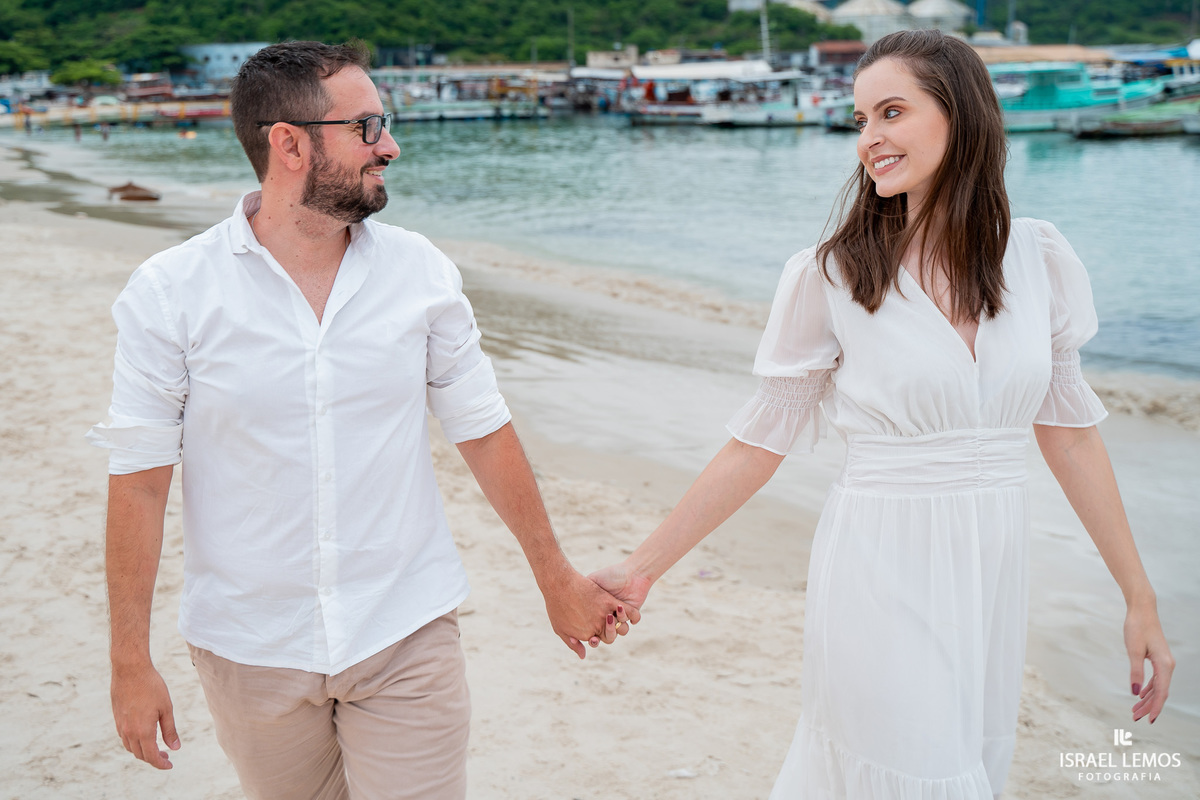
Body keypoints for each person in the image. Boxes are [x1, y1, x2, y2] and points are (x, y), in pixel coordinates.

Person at [589, 30, 1174, 799]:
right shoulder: (831, 274)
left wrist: (1139, 597)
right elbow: (759, 442)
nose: (869, 139)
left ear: (960, 116)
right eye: (861, 119)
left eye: (891, 112)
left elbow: (1069, 436)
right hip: (879, 560)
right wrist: (640, 571)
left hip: (990, 567)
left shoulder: (1039, 261)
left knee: (971, 761)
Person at [88, 41, 632, 799]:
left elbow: (482, 429)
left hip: (404, 627)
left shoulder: (422, 275)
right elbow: (139, 481)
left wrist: (556, 578)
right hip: (250, 647)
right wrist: (129, 661)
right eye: (368, 127)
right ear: (289, 144)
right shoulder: (170, 292)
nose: (391, 146)